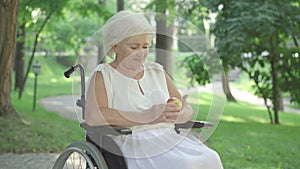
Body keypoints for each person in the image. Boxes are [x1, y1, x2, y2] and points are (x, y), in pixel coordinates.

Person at [85, 10, 223, 169]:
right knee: (184, 164)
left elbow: (186, 108)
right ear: (115, 46)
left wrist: (179, 114)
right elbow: (93, 117)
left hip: (167, 137)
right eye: (134, 47)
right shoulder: (104, 74)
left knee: (210, 157)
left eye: (145, 46)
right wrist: (146, 116)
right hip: (130, 141)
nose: (141, 53)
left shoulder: (157, 71)